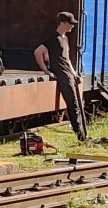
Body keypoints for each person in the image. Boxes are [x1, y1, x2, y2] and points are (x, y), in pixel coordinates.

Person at [33, 11, 88, 141]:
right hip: (61, 74)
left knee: (77, 103)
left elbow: (67, 58)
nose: (72, 26)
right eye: (70, 23)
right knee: (72, 104)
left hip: (68, 73)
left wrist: (75, 74)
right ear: (63, 23)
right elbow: (38, 52)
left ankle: (83, 133)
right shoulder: (53, 39)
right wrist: (46, 71)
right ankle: (80, 136)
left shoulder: (65, 39)